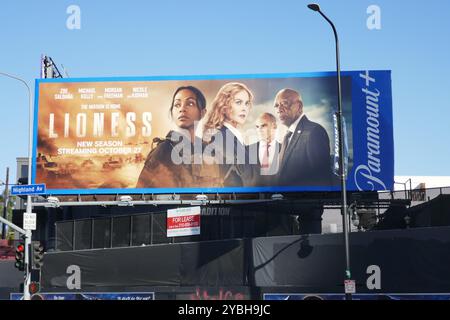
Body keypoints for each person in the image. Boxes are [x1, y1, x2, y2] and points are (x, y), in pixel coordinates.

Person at [136, 86, 218, 188]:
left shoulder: (207, 149)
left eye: (190, 103)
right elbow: (140, 193)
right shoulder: (163, 150)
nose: (182, 109)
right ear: (172, 112)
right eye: (177, 105)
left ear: (202, 113)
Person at [274, 88, 332, 186]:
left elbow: (321, 179)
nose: (279, 109)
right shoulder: (287, 136)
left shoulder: (314, 132)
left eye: (285, 103)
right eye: (276, 105)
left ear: (299, 106)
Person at [203, 82, 253, 187]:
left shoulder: (233, 135)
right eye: (238, 102)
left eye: (247, 103)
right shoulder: (219, 137)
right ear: (224, 106)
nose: (244, 108)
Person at [247, 113, 281, 186]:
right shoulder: (246, 150)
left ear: (274, 126)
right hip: (253, 195)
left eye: (263, 126)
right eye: (257, 127)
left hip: (279, 194)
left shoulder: (285, 149)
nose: (259, 130)